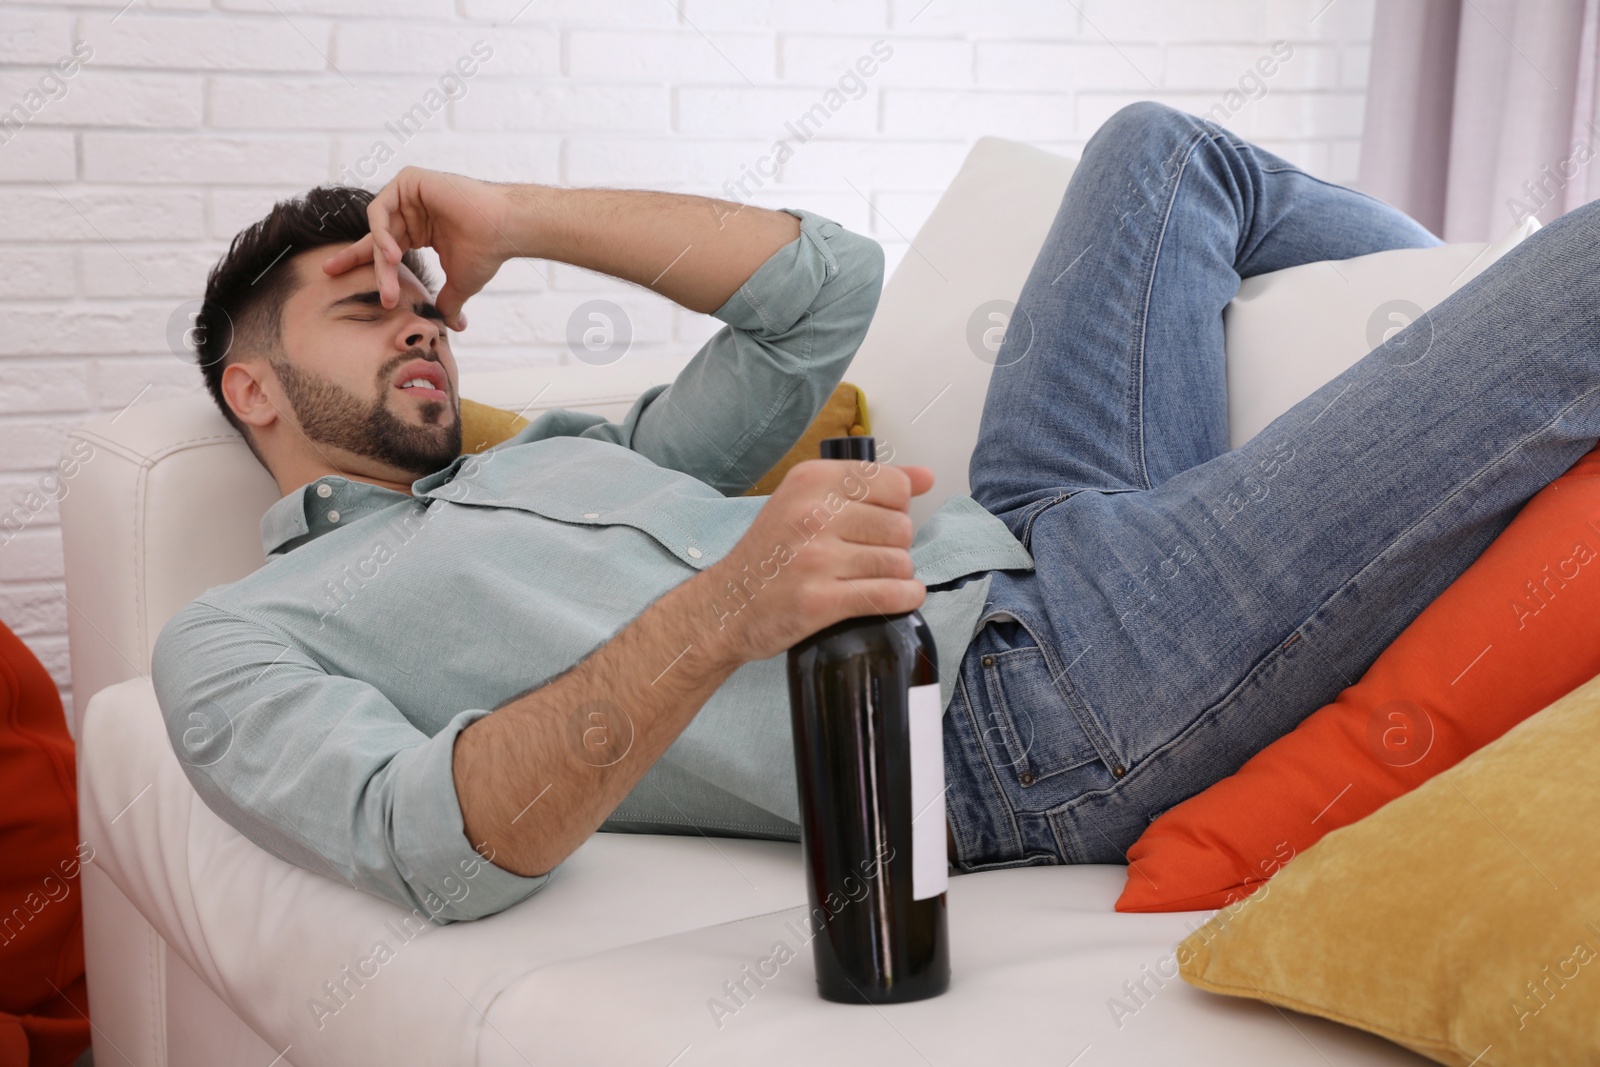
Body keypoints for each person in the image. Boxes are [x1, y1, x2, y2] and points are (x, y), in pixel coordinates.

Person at [152, 101, 1599, 922]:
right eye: (363, 309)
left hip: (1035, 540)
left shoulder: (571, 453)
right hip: (1017, 715)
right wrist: (721, 612)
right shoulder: (239, 642)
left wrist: (518, 216)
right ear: (254, 391)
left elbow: (822, 292)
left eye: (421, 302)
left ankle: (1458, 301)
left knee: (1162, 155)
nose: (420, 327)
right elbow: (433, 845)